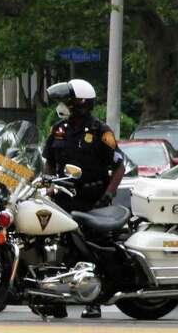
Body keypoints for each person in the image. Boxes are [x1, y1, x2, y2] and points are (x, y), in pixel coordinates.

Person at [42, 79, 124, 319]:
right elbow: (49, 161)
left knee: (89, 248)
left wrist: (108, 194)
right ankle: (55, 300)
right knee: (57, 249)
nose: (63, 105)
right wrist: (47, 184)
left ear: (81, 103)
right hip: (61, 198)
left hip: (91, 200)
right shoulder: (58, 129)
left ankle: (94, 299)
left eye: (68, 101)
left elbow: (119, 166)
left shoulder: (101, 131)